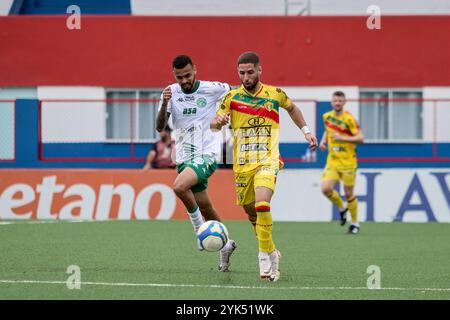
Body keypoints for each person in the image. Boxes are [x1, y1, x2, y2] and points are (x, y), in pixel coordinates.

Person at [211, 51, 318, 282]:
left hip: (268, 160)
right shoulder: (231, 97)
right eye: (241, 73)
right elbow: (214, 123)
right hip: (242, 164)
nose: (246, 76)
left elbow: (293, 109)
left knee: (262, 204)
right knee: (251, 214)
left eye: (250, 72)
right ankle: (271, 249)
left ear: (260, 70)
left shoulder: (274, 94)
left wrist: (307, 132)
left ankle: (264, 256)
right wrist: (217, 121)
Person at [155, 54, 237, 271]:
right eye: (179, 77)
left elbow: (238, 93)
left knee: (179, 186)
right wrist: (164, 104)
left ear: (195, 70)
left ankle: (199, 229)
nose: (184, 80)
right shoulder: (170, 93)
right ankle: (226, 245)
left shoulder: (212, 88)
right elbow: (160, 127)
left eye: (188, 75)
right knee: (206, 206)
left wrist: (223, 114)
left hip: (207, 153)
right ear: (174, 75)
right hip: (183, 157)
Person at [319, 91, 364, 234]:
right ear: (332, 102)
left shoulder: (349, 119)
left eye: (340, 101)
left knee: (349, 193)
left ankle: (355, 223)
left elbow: (361, 138)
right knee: (326, 189)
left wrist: (342, 138)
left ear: (344, 102)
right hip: (333, 160)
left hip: (348, 162)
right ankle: (342, 207)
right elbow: (328, 130)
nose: (337, 103)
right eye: (335, 100)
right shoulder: (327, 117)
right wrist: (324, 140)